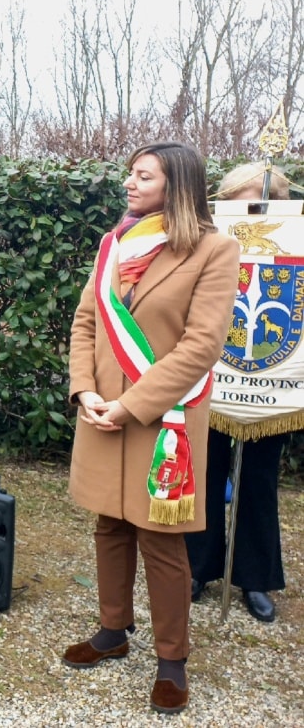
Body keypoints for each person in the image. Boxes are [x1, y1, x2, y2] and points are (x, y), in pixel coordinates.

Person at [63, 142, 239, 716]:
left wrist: (129, 404)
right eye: (131, 175)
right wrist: (86, 390)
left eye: (144, 176)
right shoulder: (115, 244)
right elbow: (87, 320)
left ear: (177, 185)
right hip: (102, 411)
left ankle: (172, 660)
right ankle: (113, 630)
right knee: (109, 524)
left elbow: (201, 345)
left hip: (164, 419)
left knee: (161, 539)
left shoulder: (215, 249)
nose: (130, 184)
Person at [186, 162, 290, 623]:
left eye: (265, 202)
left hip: (272, 379)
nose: (254, 208)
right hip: (212, 373)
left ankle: (254, 577)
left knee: (259, 482)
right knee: (203, 473)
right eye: (245, 200)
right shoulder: (205, 241)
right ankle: (197, 565)